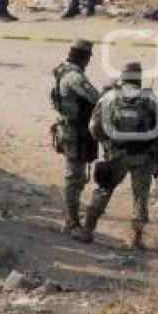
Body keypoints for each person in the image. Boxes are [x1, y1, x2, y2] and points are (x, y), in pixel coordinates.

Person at [79, 62, 158, 249]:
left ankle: (87, 230)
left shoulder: (109, 98)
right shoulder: (150, 99)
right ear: (139, 78)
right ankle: (136, 240)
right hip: (143, 156)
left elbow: (94, 128)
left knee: (104, 189)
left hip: (116, 154)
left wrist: (108, 142)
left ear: (122, 77)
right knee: (140, 196)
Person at [49, 39, 100, 233]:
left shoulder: (63, 70)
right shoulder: (74, 77)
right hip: (74, 132)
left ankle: (71, 217)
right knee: (74, 177)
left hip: (69, 129)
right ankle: (71, 220)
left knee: (76, 176)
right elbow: (96, 98)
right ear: (84, 58)